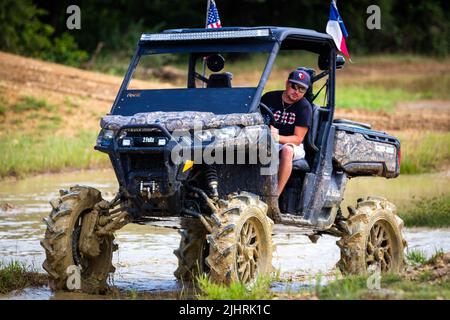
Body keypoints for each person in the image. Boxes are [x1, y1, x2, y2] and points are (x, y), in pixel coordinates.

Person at [261, 69, 312, 196]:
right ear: (287, 83)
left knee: (287, 150)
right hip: (265, 139)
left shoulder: (304, 107)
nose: (297, 92)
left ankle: (275, 196)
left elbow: (298, 139)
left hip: (291, 145)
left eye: (302, 89)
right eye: (294, 86)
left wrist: (276, 137)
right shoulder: (269, 97)